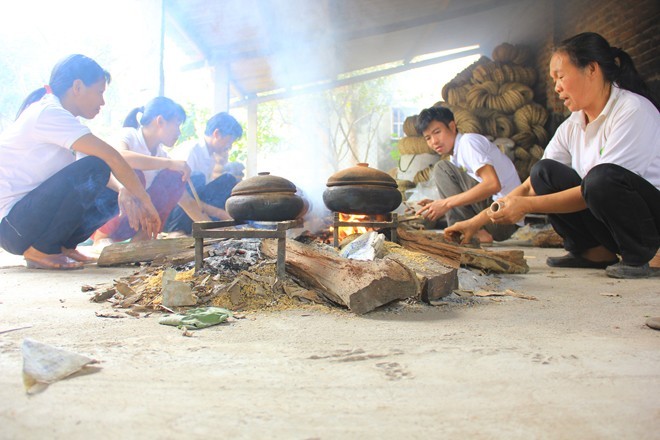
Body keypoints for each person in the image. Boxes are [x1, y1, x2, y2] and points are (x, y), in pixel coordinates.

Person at [446, 32, 660, 279]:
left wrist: (526, 206)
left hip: (650, 221)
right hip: (611, 213)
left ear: (591, 69)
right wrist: (475, 222)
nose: (556, 87)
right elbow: (530, 187)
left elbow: (599, 188)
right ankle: (593, 251)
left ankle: (639, 257)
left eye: (560, 77)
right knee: (543, 172)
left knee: (600, 178)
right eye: (553, 79)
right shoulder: (574, 123)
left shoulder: (632, 110)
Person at [0, 54, 160, 270]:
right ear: (77, 87)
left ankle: (62, 246)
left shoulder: (66, 122)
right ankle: (41, 250)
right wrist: (146, 201)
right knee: (99, 166)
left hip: (26, 223)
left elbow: (102, 174)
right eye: (100, 92)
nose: (102, 102)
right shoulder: (48, 113)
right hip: (12, 227)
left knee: (112, 195)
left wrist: (125, 191)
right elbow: (110, 157)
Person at [92, 97, 204, 244]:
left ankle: (141, 240)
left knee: (175, 177)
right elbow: (121, 157)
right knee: (134, 175)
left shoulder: (161, 155)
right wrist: (169, 163)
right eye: (177, 125)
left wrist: (216, 231)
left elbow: (186, 201)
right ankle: (102, 236)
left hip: (131, 222)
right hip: (102, 216)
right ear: (160, 121)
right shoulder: (129, 135)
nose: (179, 132)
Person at [414, 106, 522, 242]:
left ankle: (470, 231)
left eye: (437, 132)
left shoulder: (468, 143)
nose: (434, 141)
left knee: (442, 169)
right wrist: (438, 203)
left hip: (503, 216)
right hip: (498, 219)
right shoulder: (456, 156)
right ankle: (467, 231)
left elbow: (493, 185)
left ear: (452, 126)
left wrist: (446, 203)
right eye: (428, 138)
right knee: (446, 171)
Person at [164, 112, 244, 234]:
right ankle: (177, 230)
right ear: (217, 134)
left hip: (191, 206)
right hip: (172, 211)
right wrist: (219, 213)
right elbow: (179, 195)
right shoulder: (191, 150)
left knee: (228, 180)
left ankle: (215, 225)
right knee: (197, 178)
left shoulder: (211, 156)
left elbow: (203, 196)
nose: (229, 146)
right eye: (229, 142)